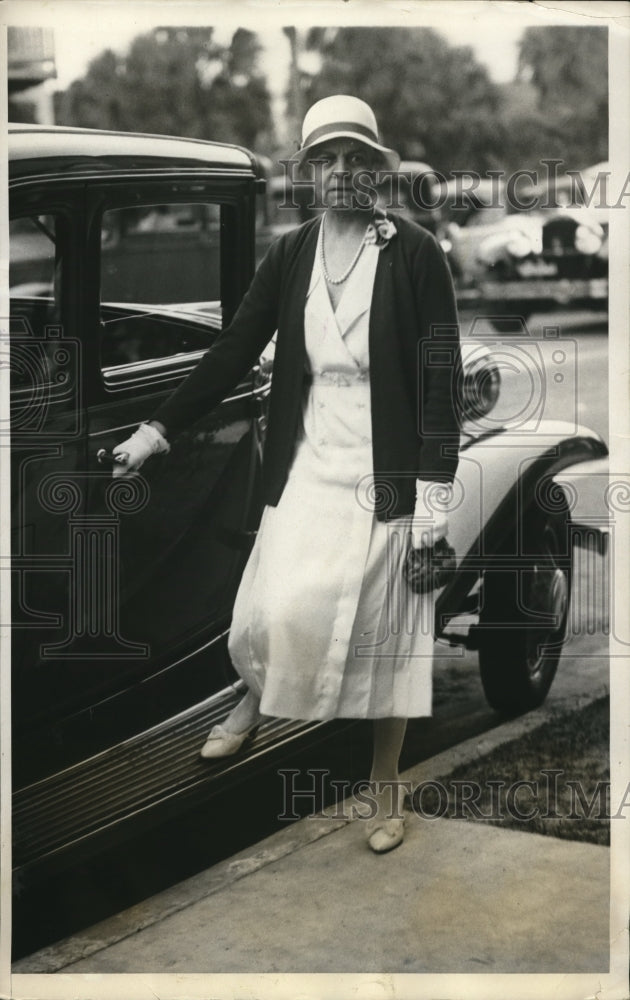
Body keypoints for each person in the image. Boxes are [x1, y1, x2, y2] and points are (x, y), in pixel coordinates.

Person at [112, 95, 462, 853]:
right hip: (308, 457)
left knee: (386, 640)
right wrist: (157, 428)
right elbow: (234, 348)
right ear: (309, 175)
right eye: (325, 161)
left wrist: (434, 498)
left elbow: (441, 381)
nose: (341, 173)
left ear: (375, 169)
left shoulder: (414, 252)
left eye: (355, 159)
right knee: (273, 608)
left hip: (391, 470)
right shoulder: (293, 251)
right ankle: (253, 692)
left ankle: (384, 788)